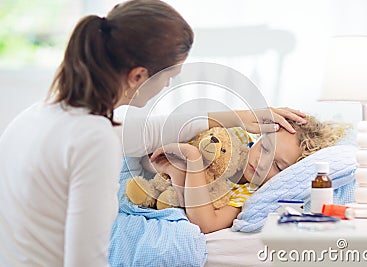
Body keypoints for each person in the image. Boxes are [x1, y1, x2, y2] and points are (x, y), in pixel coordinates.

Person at [0, 0, 307, 266]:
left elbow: (157, 129)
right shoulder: (94, 139)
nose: (169, 85)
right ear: (138, 76)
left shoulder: (40, 116)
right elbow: (87, 259)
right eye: (170, 76)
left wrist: (241, 117)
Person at [150, 115, 350, 233]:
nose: (262, 163)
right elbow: (153, 150)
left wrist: (190, 163)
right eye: (265, 148)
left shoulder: (248, 192)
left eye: (277, 167)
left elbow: (206, 223)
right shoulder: (234, 137)